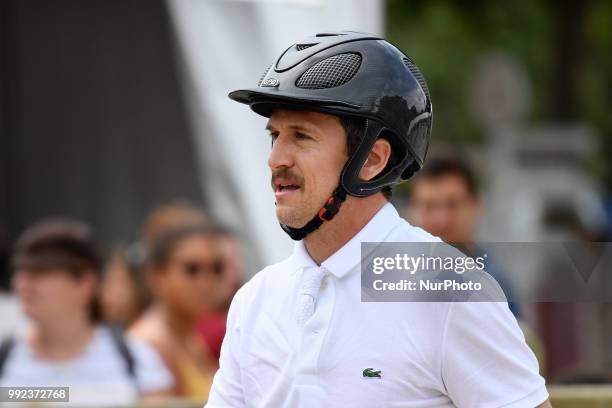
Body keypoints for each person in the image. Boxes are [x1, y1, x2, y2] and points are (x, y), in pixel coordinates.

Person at [206, 31, 551, 407]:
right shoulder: (254, 301)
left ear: (372, 159)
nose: (276, 158)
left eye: (301, 136)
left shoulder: (451, 290)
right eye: (275, 135)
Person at [0, 218, 173, 406]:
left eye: (40, 272)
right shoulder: (5, 357)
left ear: (85, 283)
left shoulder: (137, 361)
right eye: (20, 272)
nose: (23, 284)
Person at [406, 154, 521, 317]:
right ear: (412, 210)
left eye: (452, 205)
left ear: (476, 206)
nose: (441, 220)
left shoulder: (495, 286)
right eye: (429, 206)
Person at [129, 224, 222, 400]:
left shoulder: (189, 335)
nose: (207, 281)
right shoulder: (152, 344)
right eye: (191, 269)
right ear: (157, 275)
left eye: (216, 268)